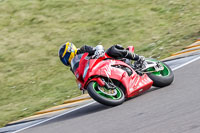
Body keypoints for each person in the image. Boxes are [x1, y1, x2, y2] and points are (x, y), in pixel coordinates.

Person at [58, 42, 145, 68]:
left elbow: (97, 47)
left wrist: (98, 51)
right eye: (64, 60)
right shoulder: (74, 67)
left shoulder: (83, 49)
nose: (66, 61)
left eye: (66, 57)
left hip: (103, 60)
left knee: (112, 50)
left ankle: (139, 58)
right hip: (97, 70)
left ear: (70, 50)